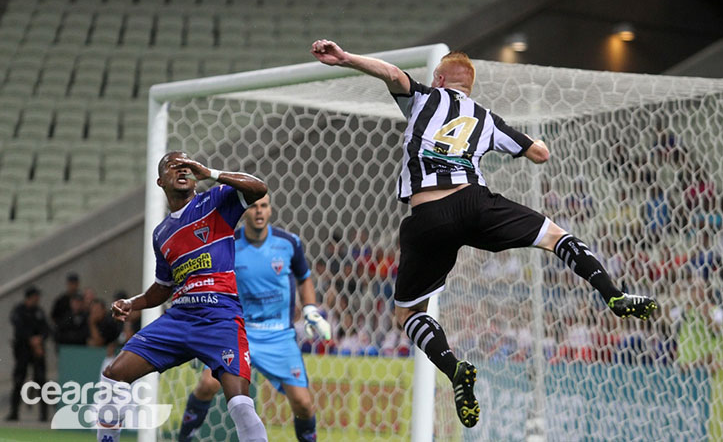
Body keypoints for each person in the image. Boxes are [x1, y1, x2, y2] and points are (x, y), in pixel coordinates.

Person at [310, 39, 657, 428]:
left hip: (428, 215)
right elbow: (539, 154)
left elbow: (391, 74)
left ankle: (455, 368)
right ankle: (614, 294)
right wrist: (536, 143)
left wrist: (345, 58)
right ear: (469, 87)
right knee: (555, 236)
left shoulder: (425, 97)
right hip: (476, 204)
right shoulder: (486, 118)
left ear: (439, 79)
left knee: (408, 313)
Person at [101, 151, 268, 442]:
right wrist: (132, 303)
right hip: (180, 319)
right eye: (172, 167)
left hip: (220, 317)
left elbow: (259, 188)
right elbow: (163, 287)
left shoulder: (216, 201)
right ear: (159, 181)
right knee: (114, 374)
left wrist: (211, 173)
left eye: (186, 166)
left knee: (241, 405)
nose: (181, 170)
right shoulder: (161, 233)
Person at [177, 194, 330, 442]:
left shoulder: (289, 243)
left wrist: (311, 309)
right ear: (245, 211)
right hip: (239, 332)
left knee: (303, 403)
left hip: (279, 336)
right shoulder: (228, 244)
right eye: (254, 206)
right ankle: (183, 438)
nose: (259, 211)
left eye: (264, 206)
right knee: (207, 385)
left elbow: (304, 277)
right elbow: (212, 285)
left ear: (270, 210)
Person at [7, 286, 49, 422]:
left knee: (41, 380)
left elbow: (46, 329)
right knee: (19, 379)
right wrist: (31, 339)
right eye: (35, 296)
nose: (37, 299)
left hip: (37, 352)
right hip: (23, 351)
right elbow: (19, 330)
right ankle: (14, 411)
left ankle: (44, 414)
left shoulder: (39, 312)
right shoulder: (19, 311)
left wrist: (39, 339)